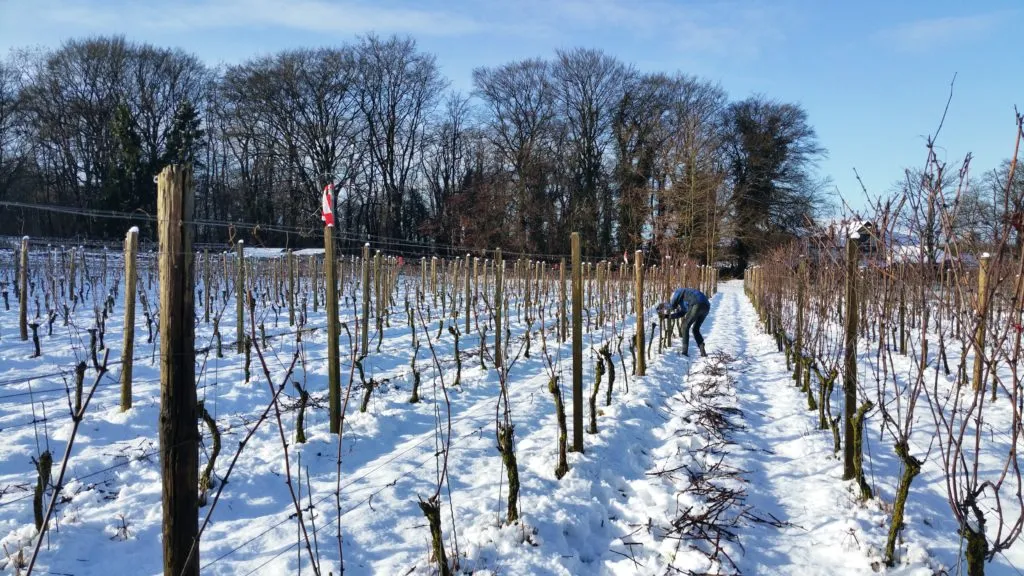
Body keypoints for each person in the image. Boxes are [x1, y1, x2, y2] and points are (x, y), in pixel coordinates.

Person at [657, 287, 710, 357]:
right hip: (706, 306)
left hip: (697, 303)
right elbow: (681, 314)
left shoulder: (678, 291)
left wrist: (662, 305)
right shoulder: (685, 301)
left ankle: (684, 352)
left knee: (685, 327)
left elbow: (672, 306)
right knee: (695, 329)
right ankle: (702, 349)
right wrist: (666, 316)